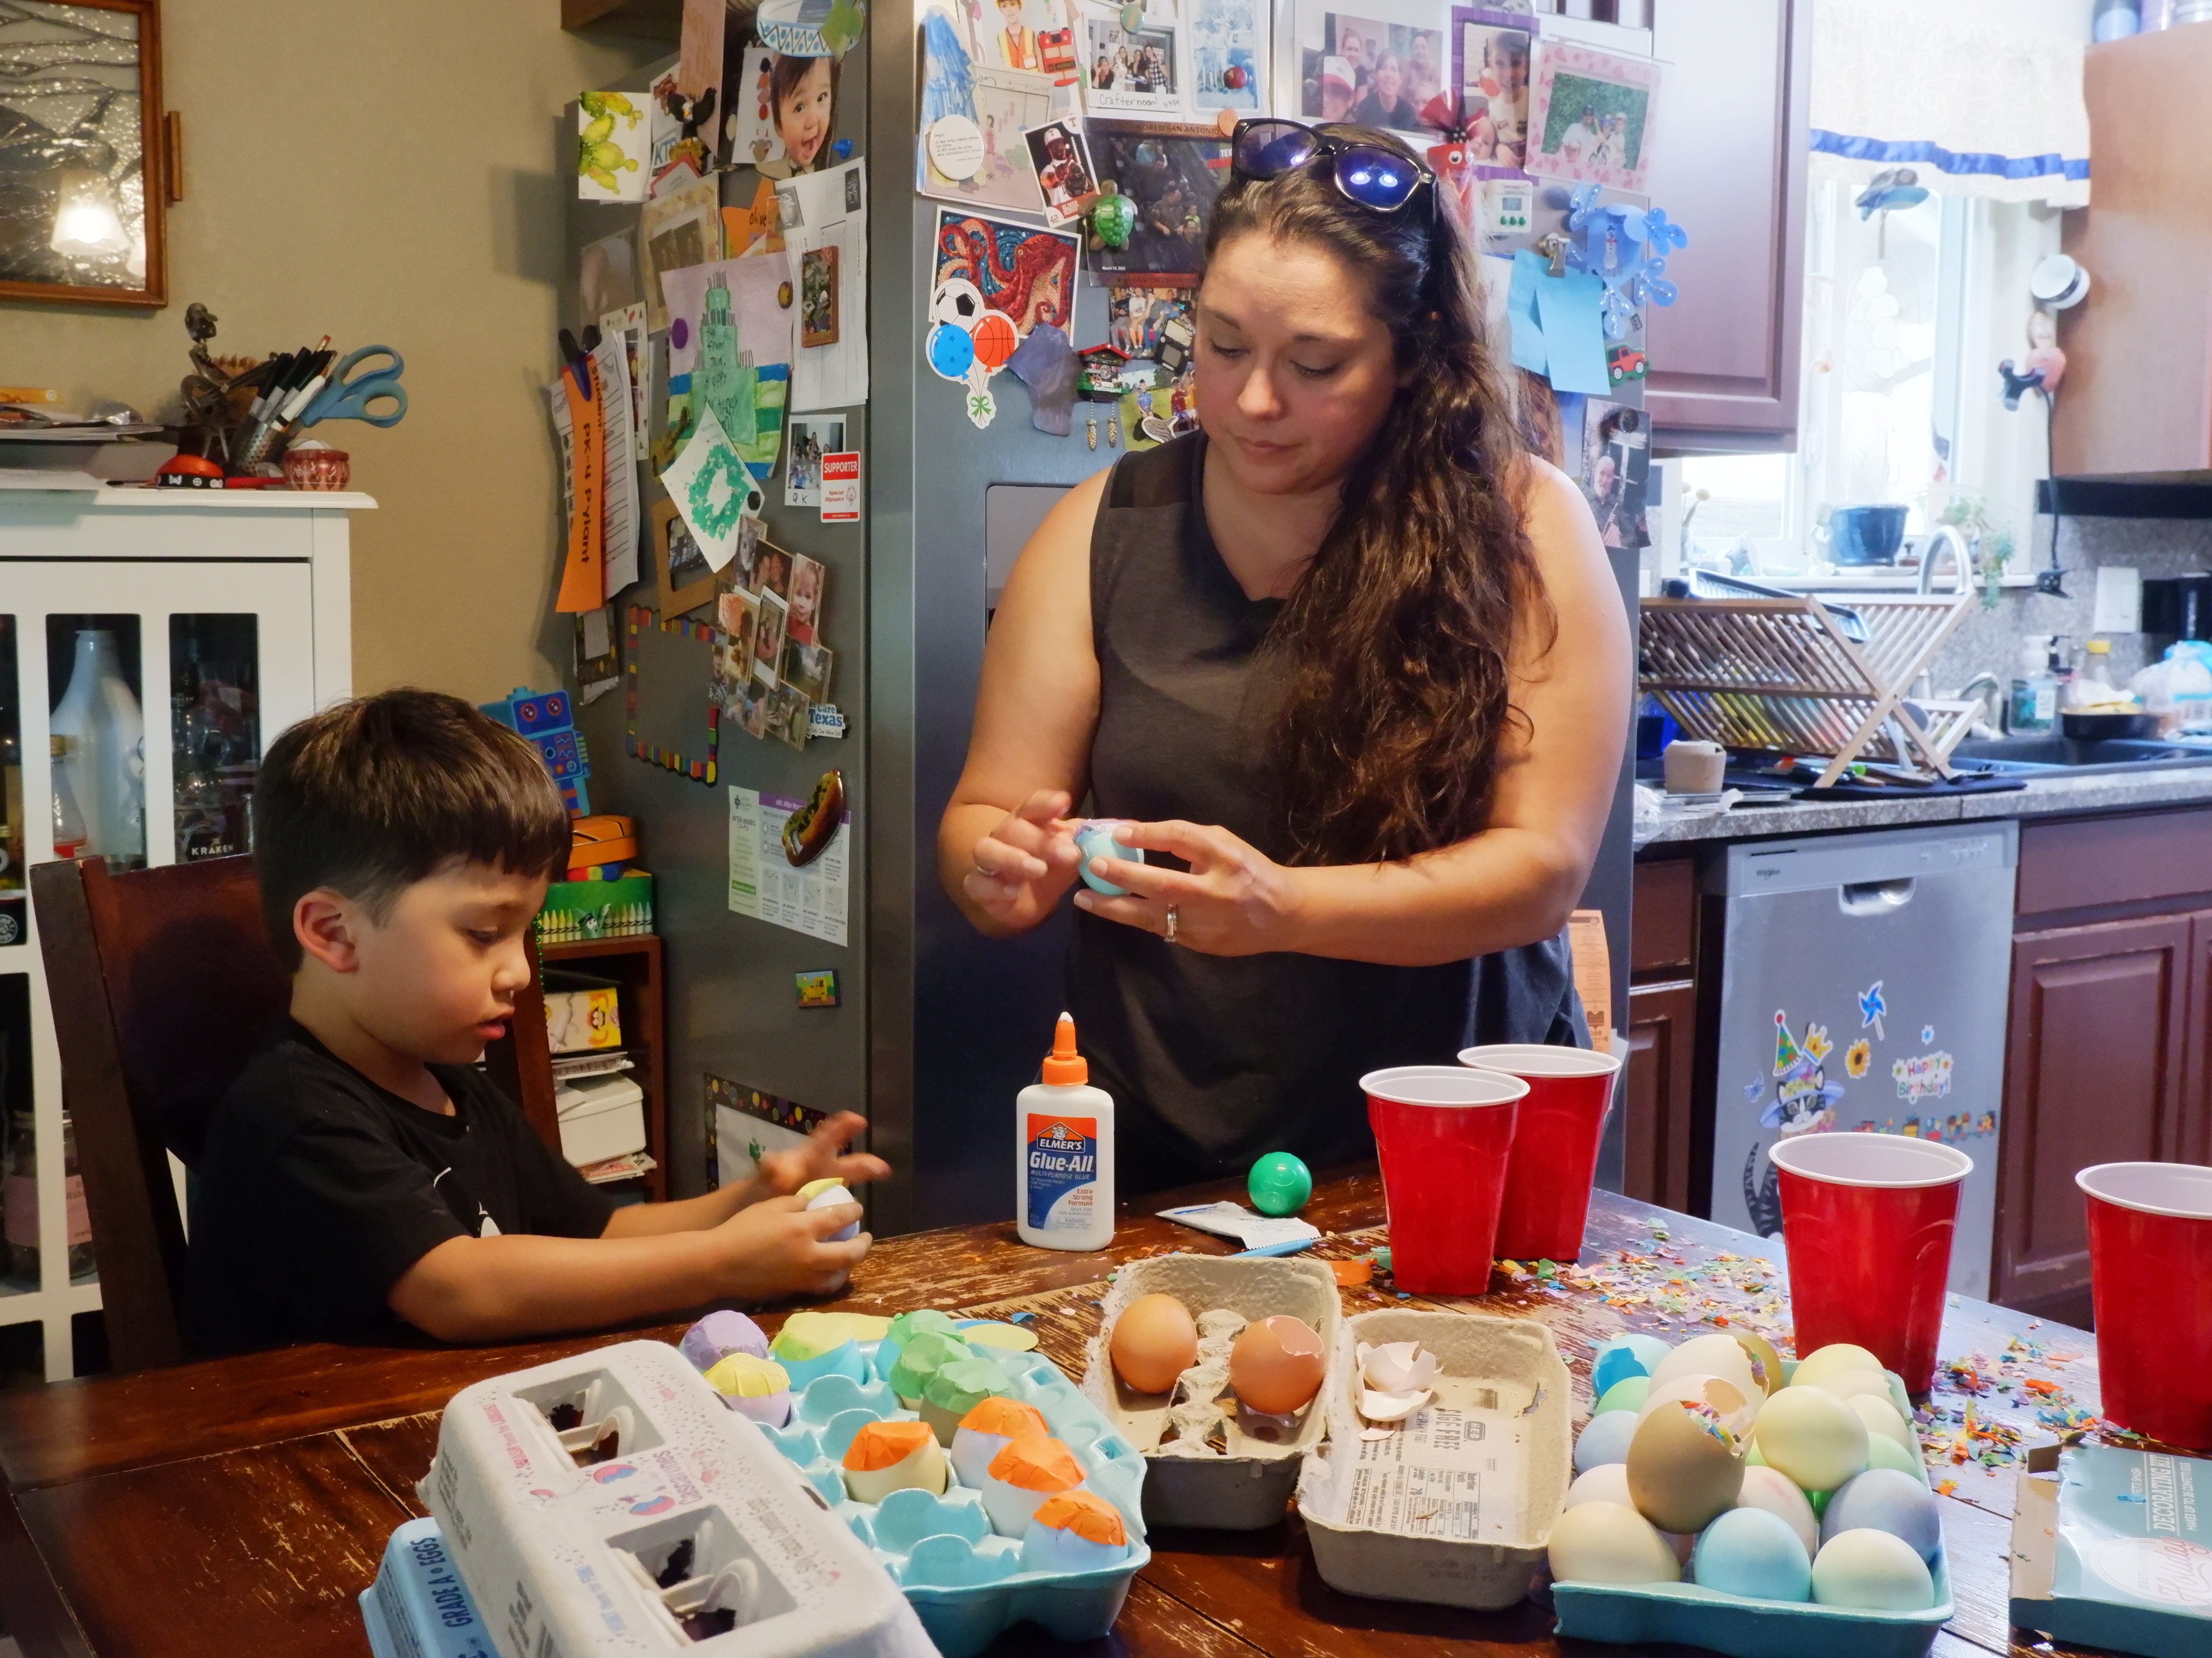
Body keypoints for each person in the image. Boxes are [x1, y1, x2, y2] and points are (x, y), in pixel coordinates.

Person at [938, 121, 1628, 1190]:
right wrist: (998, 867)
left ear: (1413, 355)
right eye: (1222, 346)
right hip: (1168, 1166)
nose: (1254, 402)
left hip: (1450, 1161)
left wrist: (1283, 910)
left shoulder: (1526, 527)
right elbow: (983, 819)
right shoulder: (1097, 531)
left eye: (1315, 365)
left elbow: (1539, 871)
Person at [189, 691, 885, 1354]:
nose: (519, 972)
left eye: (525, 935)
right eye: (484, 933)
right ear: (335, 934)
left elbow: (606, 1229)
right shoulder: (293, 1116)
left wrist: (750, 1198)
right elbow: (459, 1288)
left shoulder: (453, 1084)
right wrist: (723, 1263)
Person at [771, 53, 835, 172]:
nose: (812, 122)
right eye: (799, 108)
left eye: (821, 97)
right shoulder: (769, 169)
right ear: (779, 127)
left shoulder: (835, 147)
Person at [1352, 53, 1419, 130]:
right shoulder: (1364, 109)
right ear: (1376, 75)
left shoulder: (1409, 113)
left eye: (1394, 70)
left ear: (1401, 79)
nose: (1389, 75)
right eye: (1384, 68)